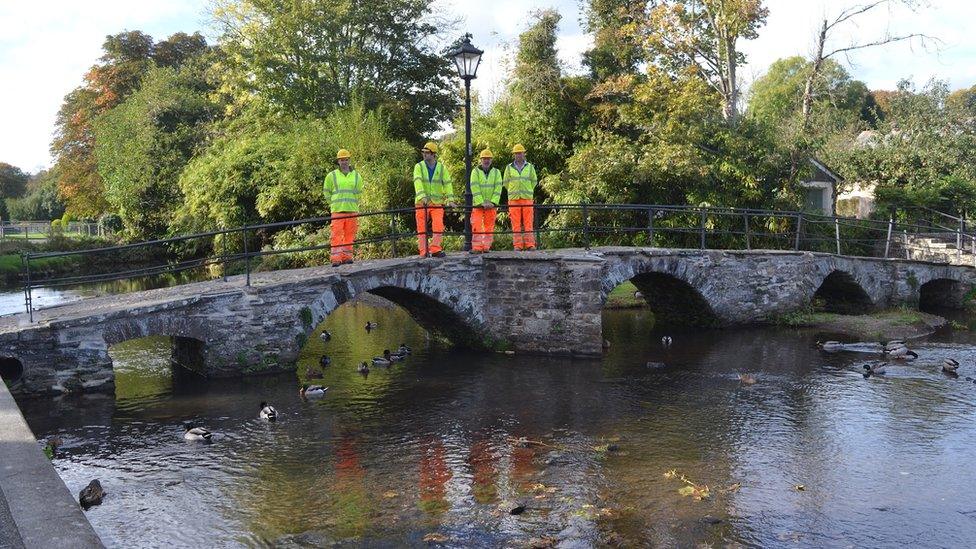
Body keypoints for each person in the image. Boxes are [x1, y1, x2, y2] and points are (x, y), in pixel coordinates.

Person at [412, 141, 455, 257]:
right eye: (423, 152)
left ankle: (435, 250)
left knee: (438, 226)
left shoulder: (441, 168)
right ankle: (423, 252)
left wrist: (450, 199)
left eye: (427, 153)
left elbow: (447, 184)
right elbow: (417, 181)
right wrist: (422, 196)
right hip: (422, 203)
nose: (424, 154)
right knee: (421, 228)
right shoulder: (419, 166)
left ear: (433, 154)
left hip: (436, 203)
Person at [324, 149, 362, 267]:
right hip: (338, 210)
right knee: (336, 235)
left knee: (349, 235)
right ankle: (336, 258)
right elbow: (326, 191)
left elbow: (358, 192)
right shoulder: (332, 175)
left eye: (346, 159)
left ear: (349, 160)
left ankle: (347, 257)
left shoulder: (356, 176)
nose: (344, 162)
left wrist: (353, 203)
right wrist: (333, 204)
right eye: (342, 160)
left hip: (351, 210)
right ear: (338, 161)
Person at [502, 144, 538, 250]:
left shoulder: (530, 167)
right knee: (515, 223)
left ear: (524, 154)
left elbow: (534, 181)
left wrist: (528, 190)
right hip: (513, 199)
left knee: (528, 222)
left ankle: (530, 245)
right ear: (514, 155)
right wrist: (513, 191)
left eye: (520, 153)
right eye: (516, 153)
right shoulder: (509, 168)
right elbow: (505, 183)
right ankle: (517, 245)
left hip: (527, 198)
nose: (518, 155)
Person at [469, 148, 503, 253]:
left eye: (488, 158)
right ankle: (477, 248)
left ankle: (486, 247)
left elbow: (498, 188)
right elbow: (474, 187)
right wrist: (481, 202)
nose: (486, 161)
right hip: (479, 205)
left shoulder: (497, 172)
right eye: (484, 159)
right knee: (476, 225)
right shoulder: (475, 172)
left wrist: (493, 202)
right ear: (481, 160)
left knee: (489, 227)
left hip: (491, 205)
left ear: (491, 160)